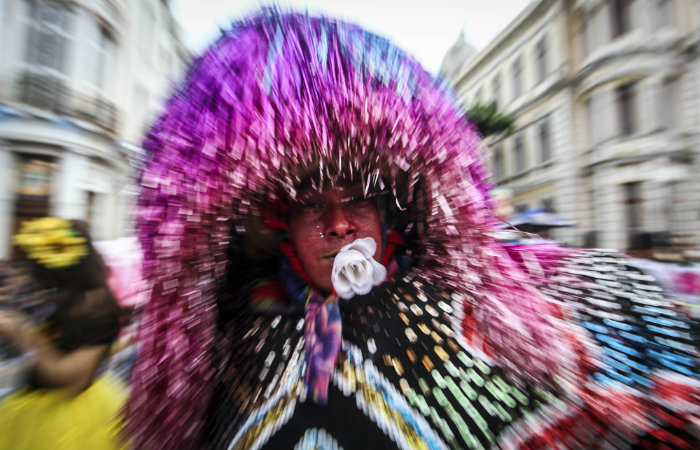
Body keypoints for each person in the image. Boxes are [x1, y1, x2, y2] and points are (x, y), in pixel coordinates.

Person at [126, 9, 699, 450]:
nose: (339, 224)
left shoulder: (474, 312)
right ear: (278, 225)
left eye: (357, 199)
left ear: (392, 211)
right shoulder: (236, 340)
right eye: (310, 206)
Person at [0, 217, 127, 450]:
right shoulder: (63, 293)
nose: (32, 276)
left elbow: (72, 380)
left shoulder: (97, 305)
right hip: (32, 405)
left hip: (69, 421)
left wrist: (20, 331)